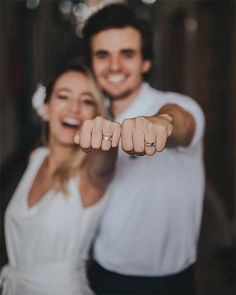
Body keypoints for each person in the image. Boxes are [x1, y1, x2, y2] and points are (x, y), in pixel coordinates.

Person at [82, 4, 205, 294]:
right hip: (104, 272)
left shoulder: (179, 104)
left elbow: (182, 124)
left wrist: (161, 123)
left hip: (170, 280)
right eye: (103, 55)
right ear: (92, 64)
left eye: (127, 54)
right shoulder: (93, 121)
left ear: (146, 62)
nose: (114, 67)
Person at [0, 62, 121, 295]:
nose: (74, 108)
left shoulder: (91, 175)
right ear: (45, 108)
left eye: (87, 101)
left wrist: (107, 138)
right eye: (64, 96)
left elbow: (105, 158)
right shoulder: (36, 158)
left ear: (95, 115)